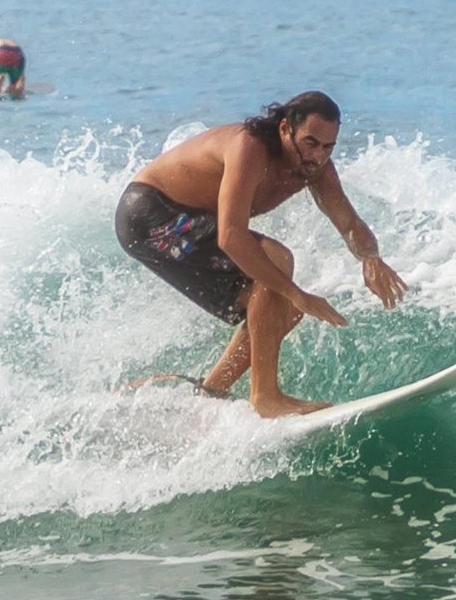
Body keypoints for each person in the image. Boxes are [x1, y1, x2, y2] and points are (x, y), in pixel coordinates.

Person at [115, 91, 406, 418]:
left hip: (185, 225)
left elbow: (349, 222)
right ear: (285, 129)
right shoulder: (249, 147)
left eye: (328, 147)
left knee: (279, 308)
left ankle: (211, 392)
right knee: (278, 263)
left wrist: (371, 257)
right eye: (311, 143)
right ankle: (266, 396)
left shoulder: (315, 167)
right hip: (151, 212)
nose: (319, 156)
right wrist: (298, 294)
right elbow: (230, 236)